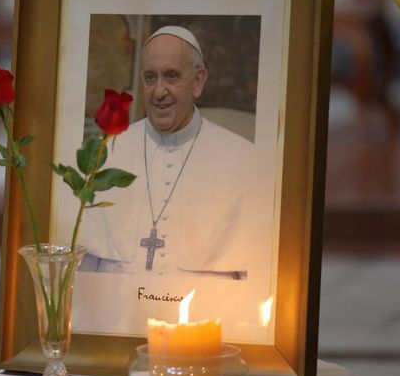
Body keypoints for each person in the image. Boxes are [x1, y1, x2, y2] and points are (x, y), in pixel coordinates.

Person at [77, 25, 263, 278]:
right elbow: (84, 270)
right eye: (150, 78)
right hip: (118, 314)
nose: (158, 91)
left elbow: (253, 277)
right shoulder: (106, 152)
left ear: (198, 81)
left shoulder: (242, 159)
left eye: (172, 76)